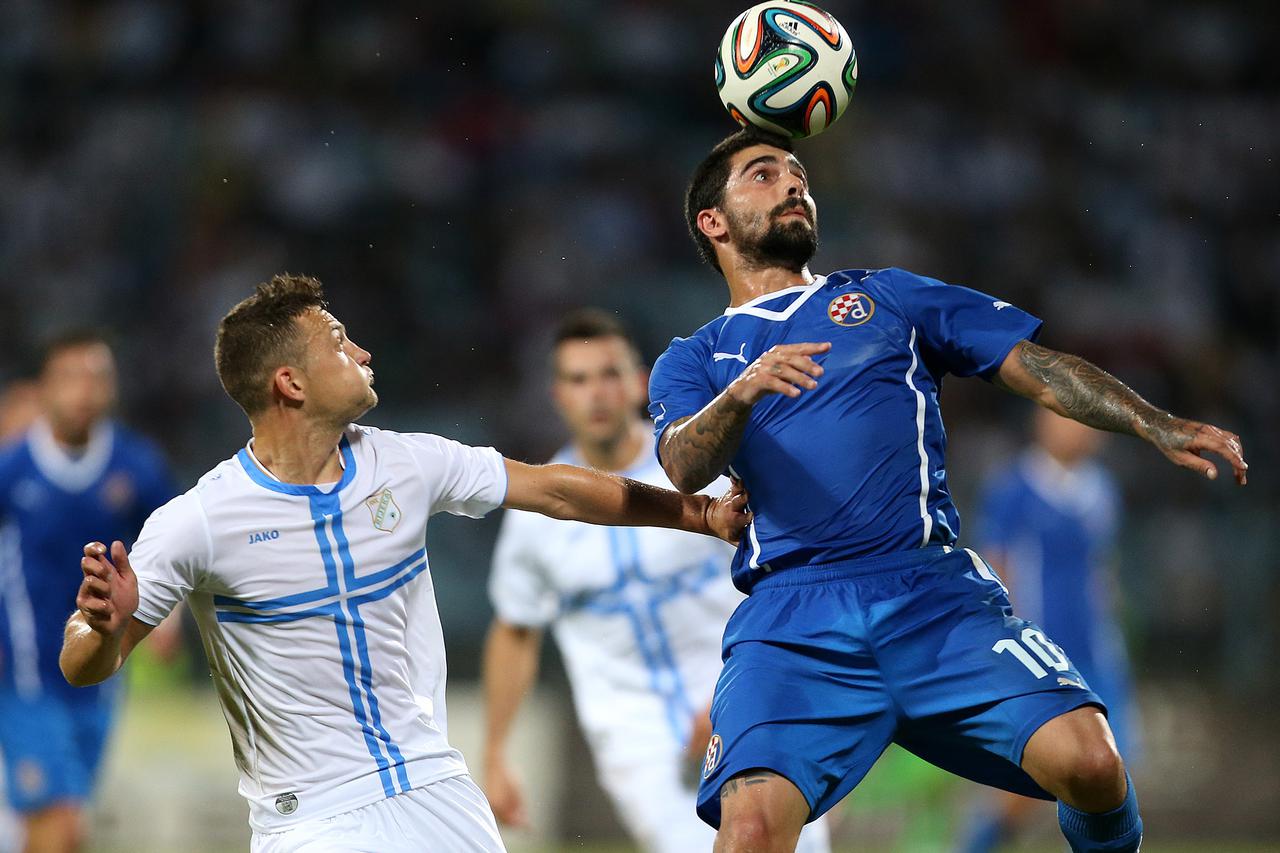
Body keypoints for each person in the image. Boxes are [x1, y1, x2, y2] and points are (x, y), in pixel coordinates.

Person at [646, 127, 1247, 853]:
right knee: (748, 837)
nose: (794, 185)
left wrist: (1150, 420)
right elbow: (682, 462)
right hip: (793, 620)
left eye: (799, 173)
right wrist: (743, 391)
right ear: (713, 221)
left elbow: (1038, 367)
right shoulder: (696, 357)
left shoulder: (889, 298)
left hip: (931, 595)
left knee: (1094, 763)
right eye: (765, 174)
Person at [58, 275, 750, 853]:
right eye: (337, 341)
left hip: (438, 790)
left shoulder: (408, 463)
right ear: (291, 382)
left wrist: (701, 515)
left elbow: (559, 488)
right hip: (314, 819)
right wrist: (101, 626)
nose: (360, 349)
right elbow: (87, 661)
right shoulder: (200, 520)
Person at [481, 309, 829, 853]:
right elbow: (516, 627)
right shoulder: (538, 512)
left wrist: (732, 696)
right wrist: (496, 752)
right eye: (578, 379)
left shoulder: (705, 470)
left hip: (743, 698)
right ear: (558, 395)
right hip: (635, 740)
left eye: (608, 374)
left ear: (639, 382)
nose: (596, 393)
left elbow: (786, 578)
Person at [0, 332, 175, 853]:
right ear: (45, 389)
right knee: (60, 824)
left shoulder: (137, 466)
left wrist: (171, 618)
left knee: (65, 826)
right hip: (24, 679)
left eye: (97, 378)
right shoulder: (12, 471)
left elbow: (170, 547)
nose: (84, 391)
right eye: (71, 377)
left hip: (99, 680)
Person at [959, 409, 1138, 853]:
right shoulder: (1015, 487)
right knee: (1027, 788)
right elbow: (995, 567)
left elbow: (1104, 571)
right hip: (1044, 658)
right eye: (1069, 419)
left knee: (1113, 772)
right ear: (1043, 421)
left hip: (1098, 653)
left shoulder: (1101, 490)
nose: (1080, 430)